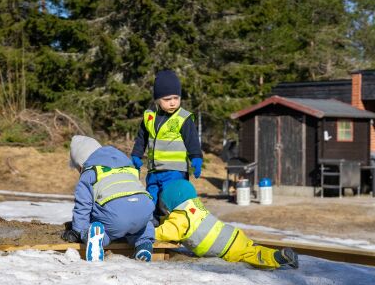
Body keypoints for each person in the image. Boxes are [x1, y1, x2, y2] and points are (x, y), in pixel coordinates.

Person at [156, 179, 299, 269]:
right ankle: (284, 256)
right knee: (250, 248)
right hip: (230, 234)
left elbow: (168, 231)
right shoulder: (195, 207)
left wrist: (151, 231)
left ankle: (277, 258)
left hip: (226, 246)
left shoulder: (180, 217)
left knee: (251, 255)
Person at [62, 135, 155, 262]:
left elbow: (83, 206)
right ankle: (144, 246)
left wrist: (78, 231)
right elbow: (137, 192)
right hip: (144, 210)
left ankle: (95, 238)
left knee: (102, 229)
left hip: (115, 217)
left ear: (82, 162)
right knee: (142, 227)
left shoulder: (91, 172)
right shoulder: (128, 167)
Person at [130, 69, 203, 219]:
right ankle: (152, 225)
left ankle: (176, 225)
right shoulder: (149, 116)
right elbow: (141, 137)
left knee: (171, 201)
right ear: (157, 99)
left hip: (175, 171)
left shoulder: (183, 118)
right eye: (167, 99)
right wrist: (136, 154)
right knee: (152, 199)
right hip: (154, 171)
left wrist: (196, 157)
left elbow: (192, 140)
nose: (173, 102)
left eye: (176, 98)